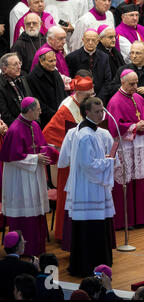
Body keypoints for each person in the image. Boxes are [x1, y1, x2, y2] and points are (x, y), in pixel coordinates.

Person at [61, 96, 116, 277]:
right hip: (87, 188)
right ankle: (86, 265)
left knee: (97, 226)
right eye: (97, 112)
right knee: (89, 228)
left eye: (102, 111)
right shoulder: (84, 135)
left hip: (93, 186)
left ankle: (100, 263)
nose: (101, 115)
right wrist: (108, 163)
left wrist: (106, 160)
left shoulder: (96, 132)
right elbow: (88, 165)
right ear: (87, 113)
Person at [0, 98, 59, 257]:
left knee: (37, 212)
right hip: (20, 179)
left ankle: (37, 247)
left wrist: (49, 153)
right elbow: (12, 158)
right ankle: (24, 249)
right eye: (38, 109)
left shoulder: (34, 125)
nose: (40, 112)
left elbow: (40, 146)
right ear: (30, 110)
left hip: (34, 175)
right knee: (25, 214)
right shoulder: (14, 129)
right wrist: (35, 159)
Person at [43, 74, 94, 248]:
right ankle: (66, 233)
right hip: (70, 164)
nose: (91, 99)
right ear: (78, 94)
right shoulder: (66, 109)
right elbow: (49, 134)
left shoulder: (88, 105)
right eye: (87, 96)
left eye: (92, 95)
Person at [107, 69, 144, 229]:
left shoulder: (138, 97)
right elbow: (114, 127)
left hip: (139, 144)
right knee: (125, 181)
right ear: (122, 82)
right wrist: (134, 126)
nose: (135, 87)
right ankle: (125, 220)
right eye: (131, 84)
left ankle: (141, 217)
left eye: (136, 83)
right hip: (125, 146)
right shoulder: (115, 101)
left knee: (139, 180)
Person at [65, 29, 112, 102]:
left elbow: (107, 81)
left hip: (100, 99)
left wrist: (99, 98)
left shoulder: (104, 57)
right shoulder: (72, 57)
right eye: (87, 40)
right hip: (80, 99)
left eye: (93, 40)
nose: (90, 43)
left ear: (98, 41)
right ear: (83, 40)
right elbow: (70, 80)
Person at [27, 47, 67, 128]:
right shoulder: (32, 77)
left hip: (60, 115)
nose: (54, 63)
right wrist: (54, 114)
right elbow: (37, 101)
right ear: (41, 61)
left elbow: (62, 92)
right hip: (46, 119)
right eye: (50, 61)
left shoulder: (55, 72)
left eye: (55, 60)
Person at [0, 231, 39, 300]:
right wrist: (35, 268)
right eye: (23, 241)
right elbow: (36, 287)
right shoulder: (28, 267)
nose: (25, 242)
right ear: (18, 246)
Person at [0, 53, 33, 126]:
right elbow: (5, 115)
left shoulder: (22, 79)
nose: (19, 67)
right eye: (15, 64)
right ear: (4, 69)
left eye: (19, 63)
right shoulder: (2, 86)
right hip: (15, 128)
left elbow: (31, 101)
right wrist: (21, 126)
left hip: (30, 122)